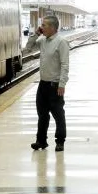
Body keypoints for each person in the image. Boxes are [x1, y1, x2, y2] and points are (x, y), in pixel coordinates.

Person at [23, 15, 70, 151]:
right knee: (42, 115)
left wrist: (62, 84)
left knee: (58, 114)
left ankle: (60, 141)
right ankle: (41, 141)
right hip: (43, 85)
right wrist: (36, 33)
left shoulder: (61, 42)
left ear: (52, 27)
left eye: (44, 25)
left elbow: (65, 65)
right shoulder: (43, 40)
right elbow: (28, 47)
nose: (41, 27)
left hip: (55, 85)